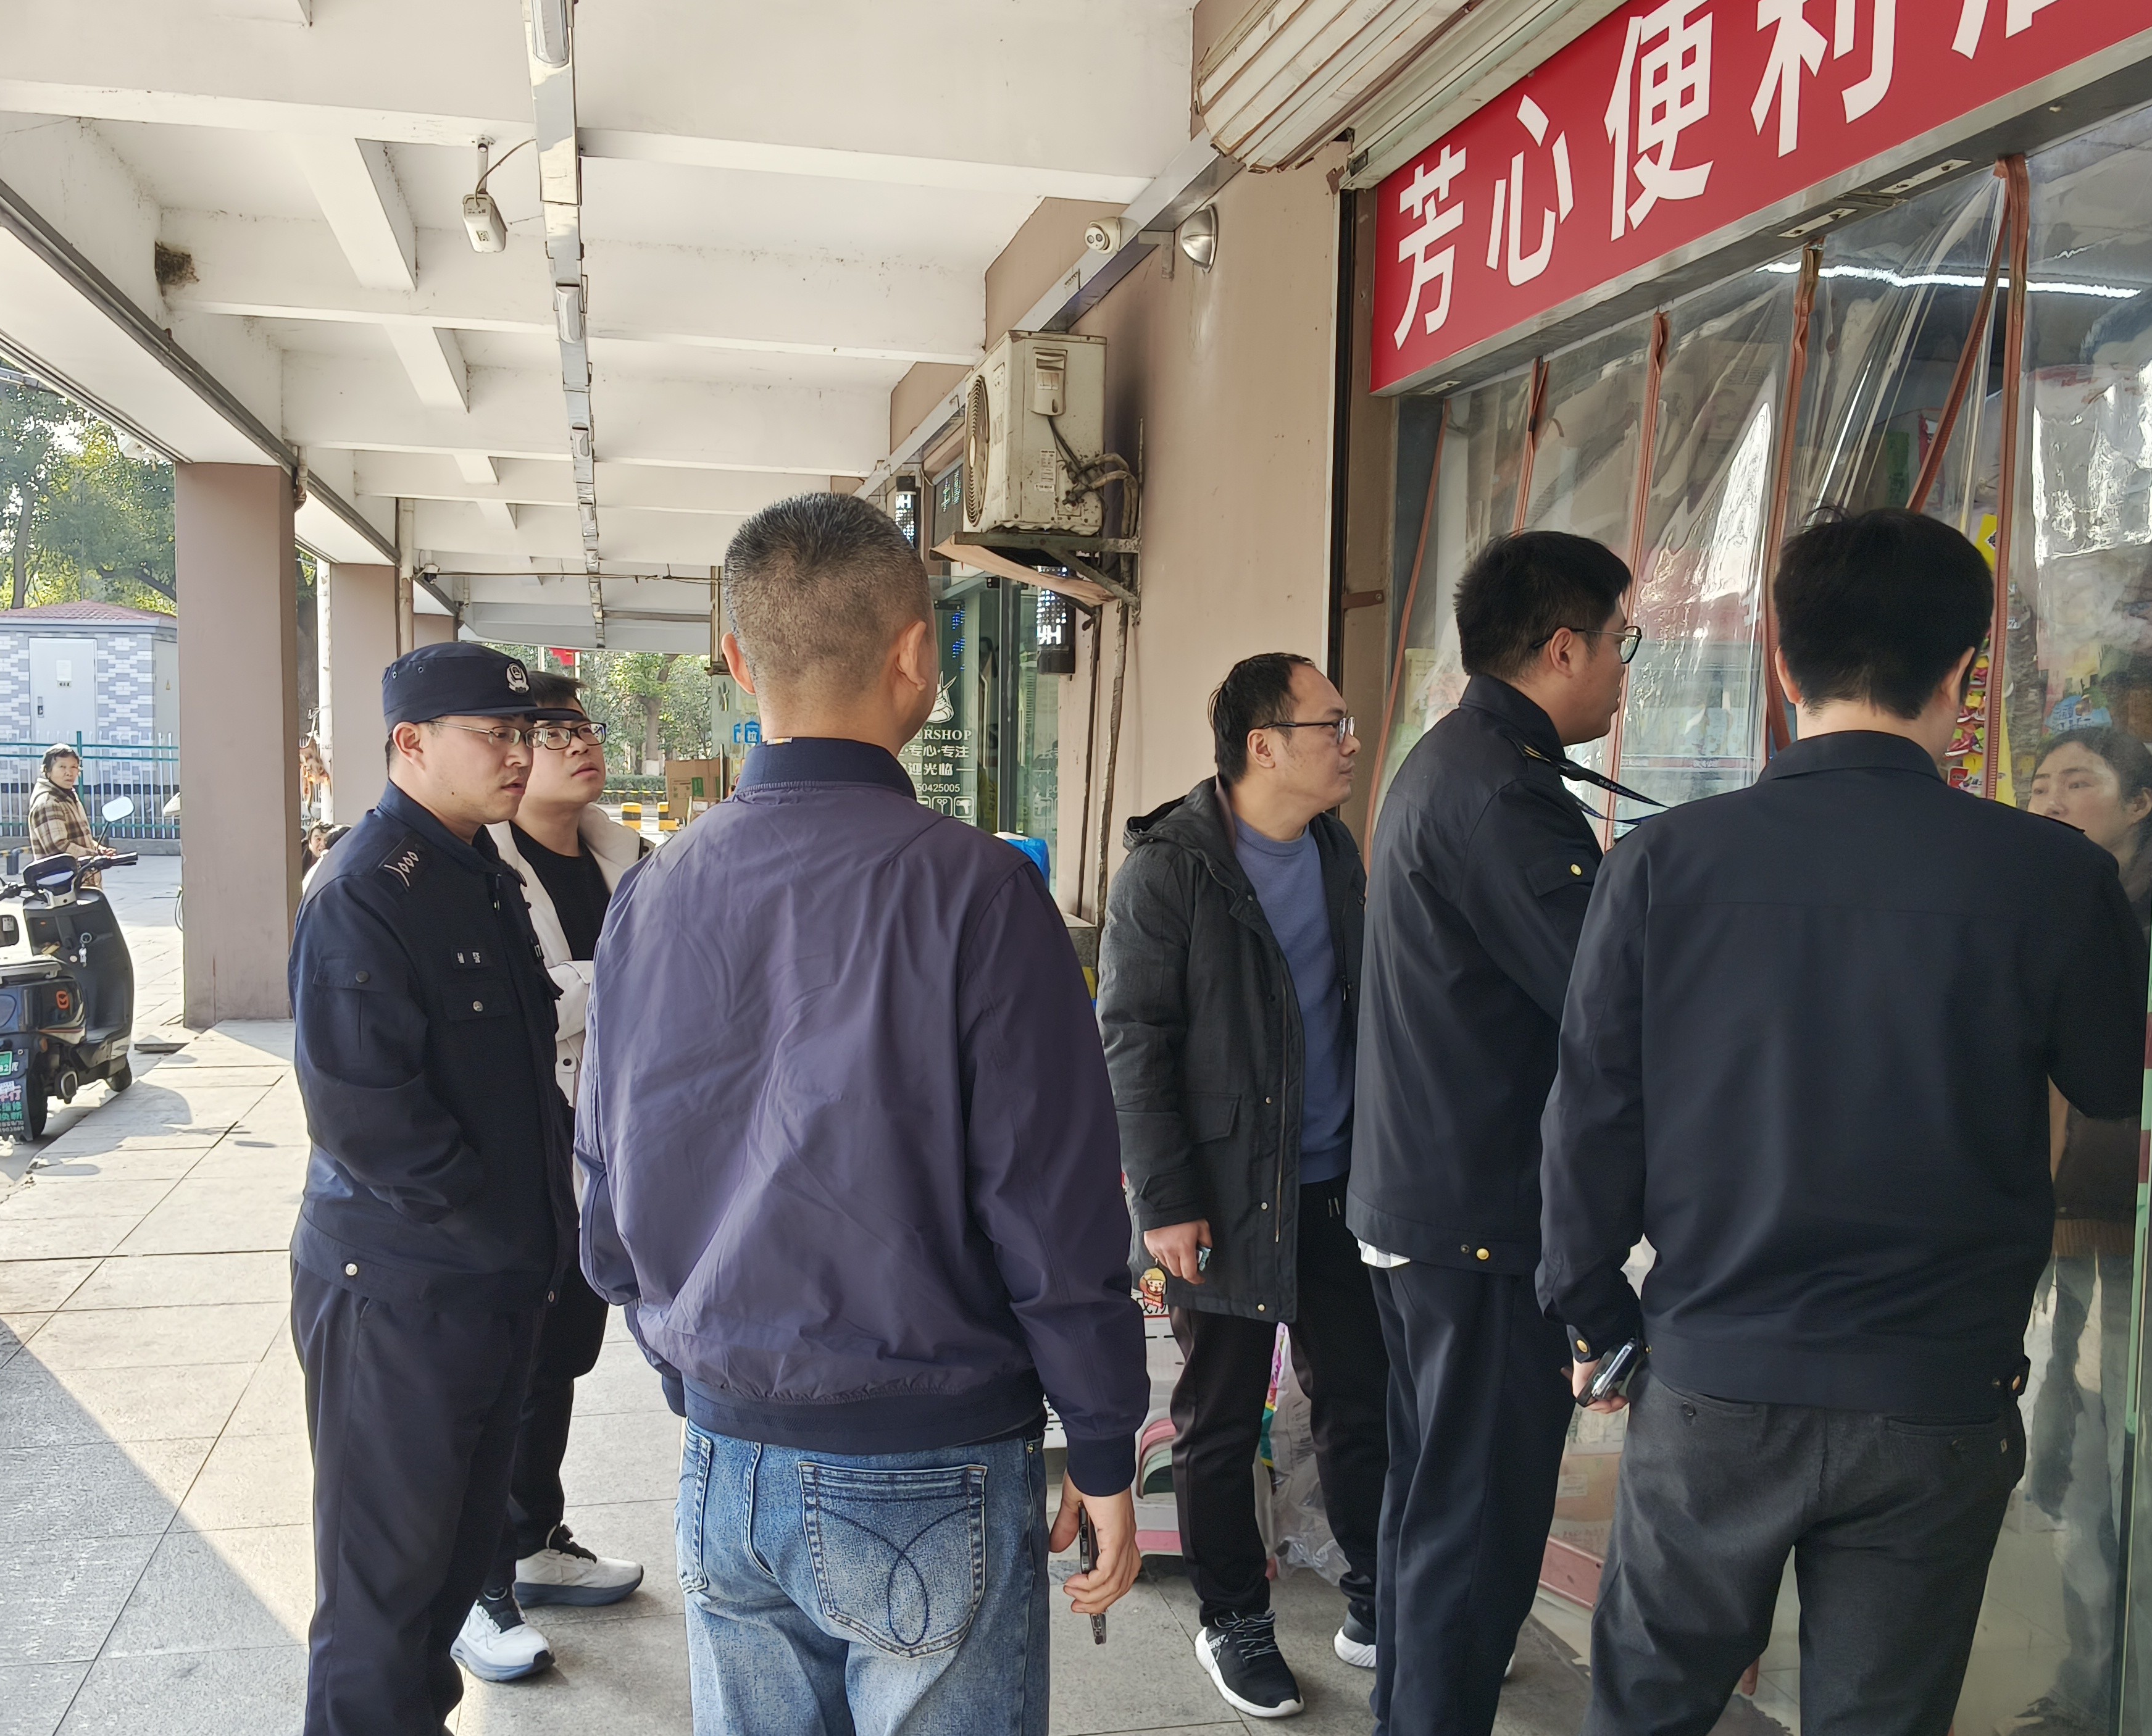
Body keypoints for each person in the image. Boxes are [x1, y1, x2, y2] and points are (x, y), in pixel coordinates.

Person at [1538, 509, 2150, 1736]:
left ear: (1780, 659)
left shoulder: (1664, 862)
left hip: (1714, 1374)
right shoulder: (2052, 875)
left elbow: (1590, 1112)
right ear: (1962, 674)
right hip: (1935, 1391)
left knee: (1646, 1711)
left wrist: (1599, 1313)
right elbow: (2109, 1081)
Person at [574, 492, 1146, 1735]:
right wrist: (1105, 1439)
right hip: (930, 1454)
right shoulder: (980, 890)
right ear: (919, 657)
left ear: (738, 661)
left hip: (725, 1455)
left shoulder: (653, 894)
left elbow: (605, 1195)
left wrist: (693, 1368)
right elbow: (1052, 1209)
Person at [1351, 528, 1635, 1736]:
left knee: (1431, 1518)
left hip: (1420, 1203)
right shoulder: (1505, 800)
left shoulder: (1455, 759)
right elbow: (1605, 1002)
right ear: (1562, 646)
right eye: (1620, 641)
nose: (1623, 668)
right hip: (1473, 1224)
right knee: (1473, 1537)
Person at [286, 642, 572, 1736]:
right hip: (404, 1294)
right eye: (495, 735)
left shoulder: (479, 871)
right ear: (410, 743)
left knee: (448, 1576)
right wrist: (497, 1222)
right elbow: (369, 1118)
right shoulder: (367, 889)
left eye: (526, 733)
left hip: (486, 1287)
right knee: (382, 1604)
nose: (520, 754)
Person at [1103, 652, 1383, 1719]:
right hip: (1218, 1199)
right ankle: (1233, 1618)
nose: (1350, 741)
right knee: (1219, 1418)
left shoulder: (1333, 848)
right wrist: (1164, 1198)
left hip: (1337, 1182)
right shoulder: (1172, 868)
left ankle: (1376, 1601)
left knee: (1360, 1397)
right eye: (1330, 723)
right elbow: (1133, 1039)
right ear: (1263, 745)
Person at [453, 672, 649, 1682]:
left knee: (565, 1350)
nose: (578, 743)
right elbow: (518, 1004)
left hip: (607, 1135)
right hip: (518, 1143)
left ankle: (533, 1538)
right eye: (550, 731)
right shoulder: (479, 867)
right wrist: (625, 978)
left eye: (582, 726)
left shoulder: (630, 860)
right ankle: (474, 1586)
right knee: (504, 1368)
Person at [2002, 725, 2152, 1736]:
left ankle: (2112, 1689)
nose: (2052, 800)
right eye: (2041, 784)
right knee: (2066, 1460)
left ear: (2140, 804)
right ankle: (2092, 1683)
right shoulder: (2038, 899)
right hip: (2056, 1226)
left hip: (2139, 1232)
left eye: (2078, 783)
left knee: (2115, 1465)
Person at [28, 745, 104, 886]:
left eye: (74, 767)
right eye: (62, 767)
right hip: (65, 888)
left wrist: (97, 848)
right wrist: (95, 856)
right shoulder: (49, 802)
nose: (69, 773)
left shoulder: (67, 796)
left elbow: (75, 837)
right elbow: (58, 848)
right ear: (47, 771)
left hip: (82, 882)